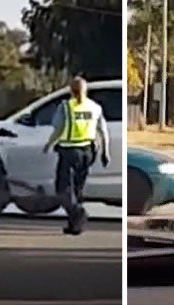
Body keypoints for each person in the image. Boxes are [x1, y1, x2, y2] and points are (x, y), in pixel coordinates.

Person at [43, 76, 110, 235]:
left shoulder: (66, 107)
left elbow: (58, 130)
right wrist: (105, 152)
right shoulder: (95, 107)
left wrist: (49, 144)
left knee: (63, 189)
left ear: (71, 91)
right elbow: (103, 131)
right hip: (88, 152)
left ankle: (78, 212)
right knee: (77, 189)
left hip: (69, 152)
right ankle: (74, 226)